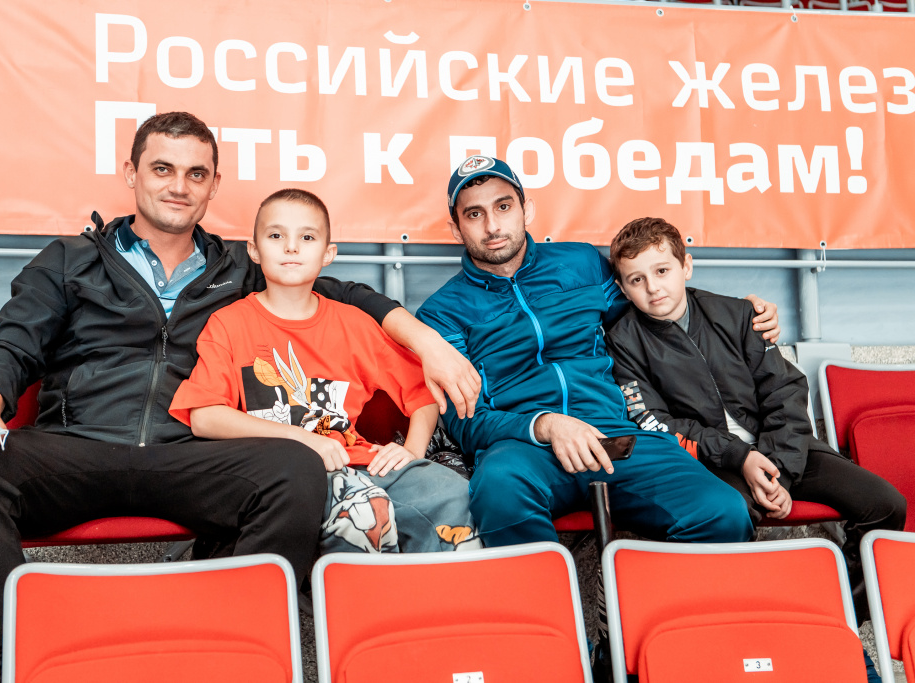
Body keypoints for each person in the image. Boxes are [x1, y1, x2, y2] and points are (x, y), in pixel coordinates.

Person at [0, 112, 479, 683]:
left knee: (296, 468)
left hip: (189, 455)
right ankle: (2, 667)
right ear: (131, 172)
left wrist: (428, 343)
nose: (179, 185)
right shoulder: (71, 259)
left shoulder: (240, 265)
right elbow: (15, 340)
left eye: (196, 174)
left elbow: (341, 292)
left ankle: (235, 650)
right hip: (77, 447)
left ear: (214, 185)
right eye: (162, 169)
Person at [415, 155, 781, 549]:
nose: (492, 226)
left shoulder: (582, 262)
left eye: (503, 207)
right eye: (474, 214)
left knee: (723, 512)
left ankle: (637, 591)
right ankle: (548, 592)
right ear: (456, 229)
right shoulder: (441, 313)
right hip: (522, 451)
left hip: (615, 435)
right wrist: (545, 425)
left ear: (526, 210)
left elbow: (652, 310)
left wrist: (738, 314)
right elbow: (465, 422)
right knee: (499, 491)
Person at [605, 217, 906, 615]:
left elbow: (786, 390)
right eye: (637, 279)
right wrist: (741, 458)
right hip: (714, 461)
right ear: (623, 287)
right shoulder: (622, 341)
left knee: (885, 504)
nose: (653, 287)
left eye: (662, 271)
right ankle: (745, 618)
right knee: (729, 516)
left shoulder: (738, 314)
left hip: (786, 447)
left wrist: (778, 469)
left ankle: (837, 612)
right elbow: (656, 423)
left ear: (686, 266)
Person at [169, 189, 479, 554]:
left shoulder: (355, 324)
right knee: (364, 511)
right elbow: (204, 416)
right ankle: (356, 590)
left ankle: (441, 589)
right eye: (276, 235)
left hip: (358, 463)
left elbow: (421, 393)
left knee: (454, 494)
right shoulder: (228, 324)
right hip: (278, 474)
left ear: (328, 254)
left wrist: (412, 450)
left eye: (307, 237)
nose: (291, 247)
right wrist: (302, 439)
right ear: (254, 250)